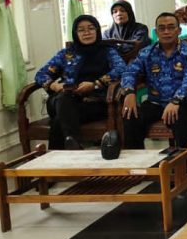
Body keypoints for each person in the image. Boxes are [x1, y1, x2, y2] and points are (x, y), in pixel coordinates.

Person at [34, 14, 126, 149]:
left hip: (94, 102)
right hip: (63, 98)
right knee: (64, 99)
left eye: (91, 28)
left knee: (60, 120)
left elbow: (121, 69)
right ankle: (73, 146)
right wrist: (54, 86)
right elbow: (41, 74)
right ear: (75, 33)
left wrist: (95, 84)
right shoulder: (66, 54)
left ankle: (68, 147)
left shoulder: (107, 51)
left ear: (97, 30)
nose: (87, 33)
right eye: (81, 30)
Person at [119, 12, 187, 150]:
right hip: (155, 102)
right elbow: (129, 72)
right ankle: (137, 167)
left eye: (171, 27)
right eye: (162, 28)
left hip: (185, 102)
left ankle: (186, 166)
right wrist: (129, 92)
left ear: (179, 30)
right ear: (156, 32)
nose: (166, 32)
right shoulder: (147, 52)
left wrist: (176, 100)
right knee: (131, 115)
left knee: (178, 116)